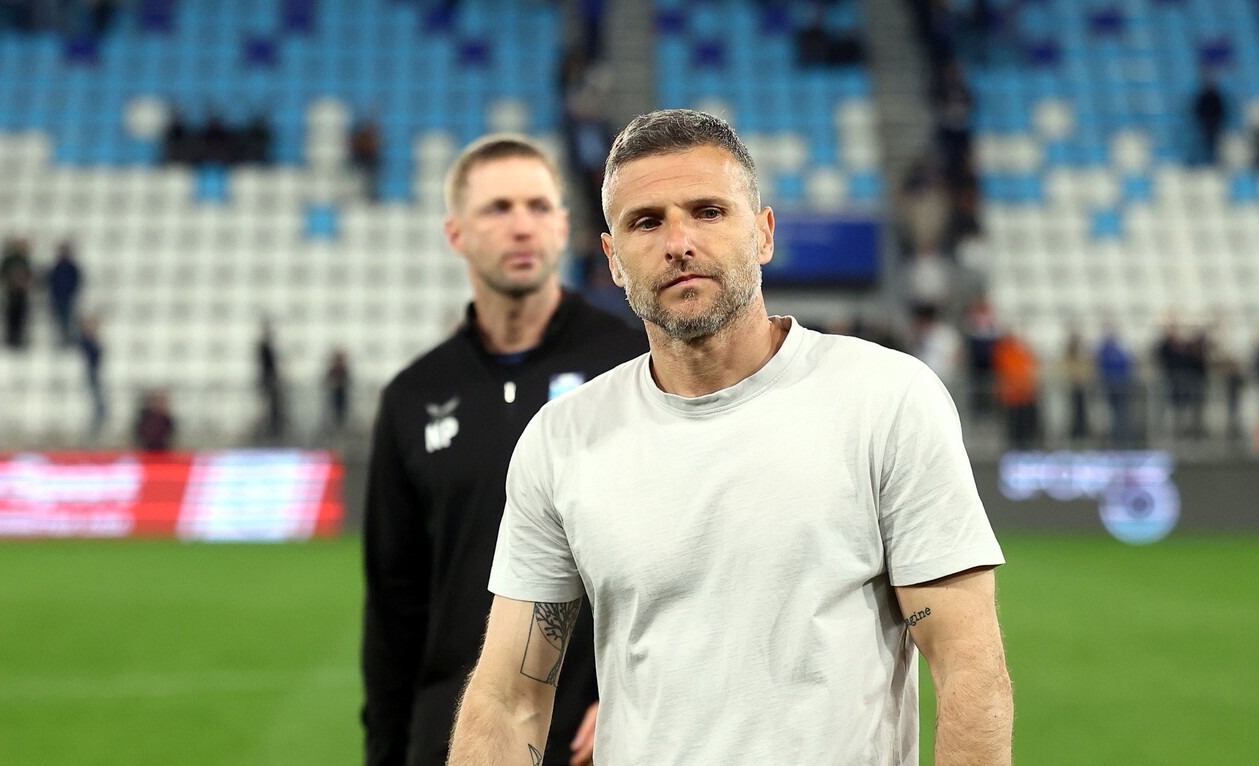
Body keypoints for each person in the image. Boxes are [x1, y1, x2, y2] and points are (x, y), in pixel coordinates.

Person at [449, 110, 1010, 765]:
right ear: (613, 261)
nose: (679, 242)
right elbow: (509, 698)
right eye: (646, 222)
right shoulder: (561, 440)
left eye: (709, 212)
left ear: (764, 233)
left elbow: (969, 669)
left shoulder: (887, 399)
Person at [362, 134, 646, 766]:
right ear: (456, 234)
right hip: (457, 739)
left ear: (564, 226)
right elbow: (393, 609)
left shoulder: (633, 364)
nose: (522, 226)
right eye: (498, 209)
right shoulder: (412, 397)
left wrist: (637, 693)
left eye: (539, 207)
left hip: (601, 739)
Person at [0, 237, 34, 350]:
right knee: (10, 318)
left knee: (21, 318)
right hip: (11, 294)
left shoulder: (24, 260)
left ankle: (18, 340)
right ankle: (10, 339)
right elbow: (1, 274)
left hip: (21, 294)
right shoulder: (9, 260)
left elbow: (29, 275)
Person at [47, 241, 84, 346]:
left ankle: (67, 339)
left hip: (68, 297)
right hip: (57, 297)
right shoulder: (57, 267)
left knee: (67, 319)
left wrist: (70, 292)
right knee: (58, 318)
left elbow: (76, 281)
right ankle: (61, 339)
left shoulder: (71, 268)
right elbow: (52, 281)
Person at [256, 319, 285, 441]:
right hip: (268, 380)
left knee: (273, 406)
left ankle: (274, 428)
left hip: (269, 380)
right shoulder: (263, 347)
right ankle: (270, 429)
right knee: (269, 405)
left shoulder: (265, 347)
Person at [79, 313, 107, 438]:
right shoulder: (82, 342)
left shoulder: (97, 341)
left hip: (97, 376)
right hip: (89, 376)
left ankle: (98, 424)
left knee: (100, 403)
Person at [1191, 71, 1226, 166]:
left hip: (1215, 125)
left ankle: (1216, 162)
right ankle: (1203, 162)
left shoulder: (1217, 97)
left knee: (1216, 144)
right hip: (1204, 124)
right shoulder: (1203, 97)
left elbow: (1222, 110)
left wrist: (1216, 120)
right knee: (1203, 143)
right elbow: (1198, 109)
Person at [1063, 329, 1092, 443]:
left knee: (1082, 410)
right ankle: (1075, 434)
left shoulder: (1082, 354)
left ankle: (1082, 432)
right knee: (1074, 411)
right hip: (1073, 386)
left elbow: (1086, 369)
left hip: (1081, 386)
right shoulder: (1069, 354)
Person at [323, 347, 350, 437]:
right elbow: (328, 380)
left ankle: (340, 427)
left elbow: (346, 381)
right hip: (334, 395)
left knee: (341, 412)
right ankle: (335, 428)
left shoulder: (343, 370)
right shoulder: (334, 369)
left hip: (341, 394)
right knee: (334, 412)